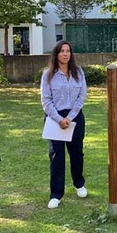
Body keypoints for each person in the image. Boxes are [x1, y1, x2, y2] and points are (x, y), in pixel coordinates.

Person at [41, 40, 88, 209]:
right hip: (55, 118)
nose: (65, 54)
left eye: (68, 51)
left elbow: (82, 96)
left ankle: (79, 183)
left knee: (77, 153)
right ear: (56, 54)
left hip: (75, 116)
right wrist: (59, 119)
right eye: (62, 51)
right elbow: (46, 100)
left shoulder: (79, 72)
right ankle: (56, 194)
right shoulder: (48, 74)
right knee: (56, 156)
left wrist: (70, 117)